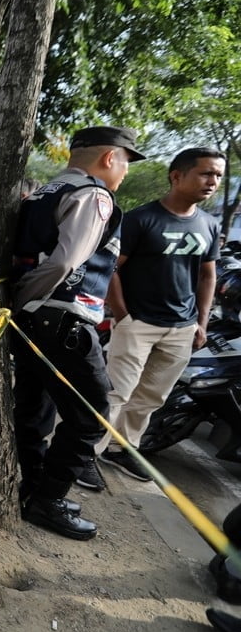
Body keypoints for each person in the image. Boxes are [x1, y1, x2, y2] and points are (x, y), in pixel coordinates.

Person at [11, 125, 145, 541]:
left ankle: (33, 488)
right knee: (91, 417)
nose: (124, 173)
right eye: (125, 162)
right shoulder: (95, 196)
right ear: (109, 158)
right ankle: (48, 501)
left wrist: (21, 307)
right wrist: (25, 299)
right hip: (63, 320)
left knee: (36, 410)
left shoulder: (42, 193)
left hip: (32, 323)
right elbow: (63, 264)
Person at [94, 147, 223, 484]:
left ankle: (122, 449)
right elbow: (110, 268)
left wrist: (201, 321)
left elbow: (207, 275)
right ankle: (86, 453)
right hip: (138, 322)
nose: (213, 182)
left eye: (218, 176)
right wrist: (122, 315)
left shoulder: (208, 224)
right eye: (206, 173)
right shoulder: (140, 219)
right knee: (117, 392)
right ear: (177, 175)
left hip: (182, 327)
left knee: (151, 396)